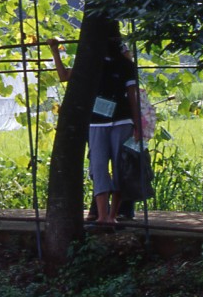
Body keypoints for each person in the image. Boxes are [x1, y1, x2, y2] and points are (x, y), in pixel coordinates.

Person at [49, 33, 141, 230]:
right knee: (98, 167)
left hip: (121, 121)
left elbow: (133, 97)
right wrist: (54, 51)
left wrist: (137, 125)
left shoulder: (125, 66)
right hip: (97, 123)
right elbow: (64, 76)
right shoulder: (90, 64)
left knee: (119, 167)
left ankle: (112, 215)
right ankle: (102, 215)